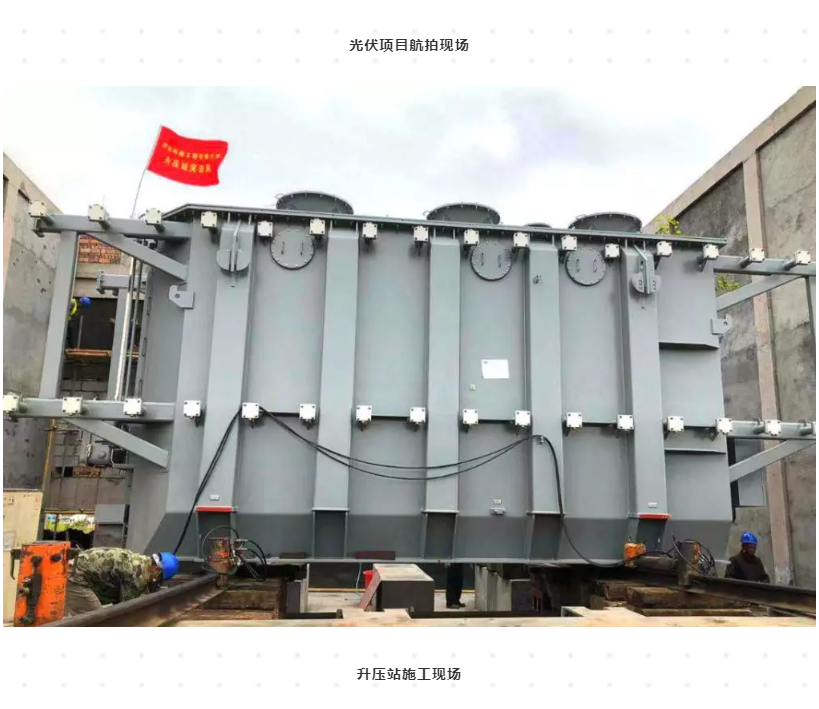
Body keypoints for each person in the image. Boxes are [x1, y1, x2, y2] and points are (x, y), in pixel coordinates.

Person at [64, 548, 180, 616]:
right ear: (157, 569)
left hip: (77, 567)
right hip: (76, 577)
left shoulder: (141, 560)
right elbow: (125, 610)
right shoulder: (137, 576)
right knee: (98, 620)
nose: (156, 580)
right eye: (159, 577)